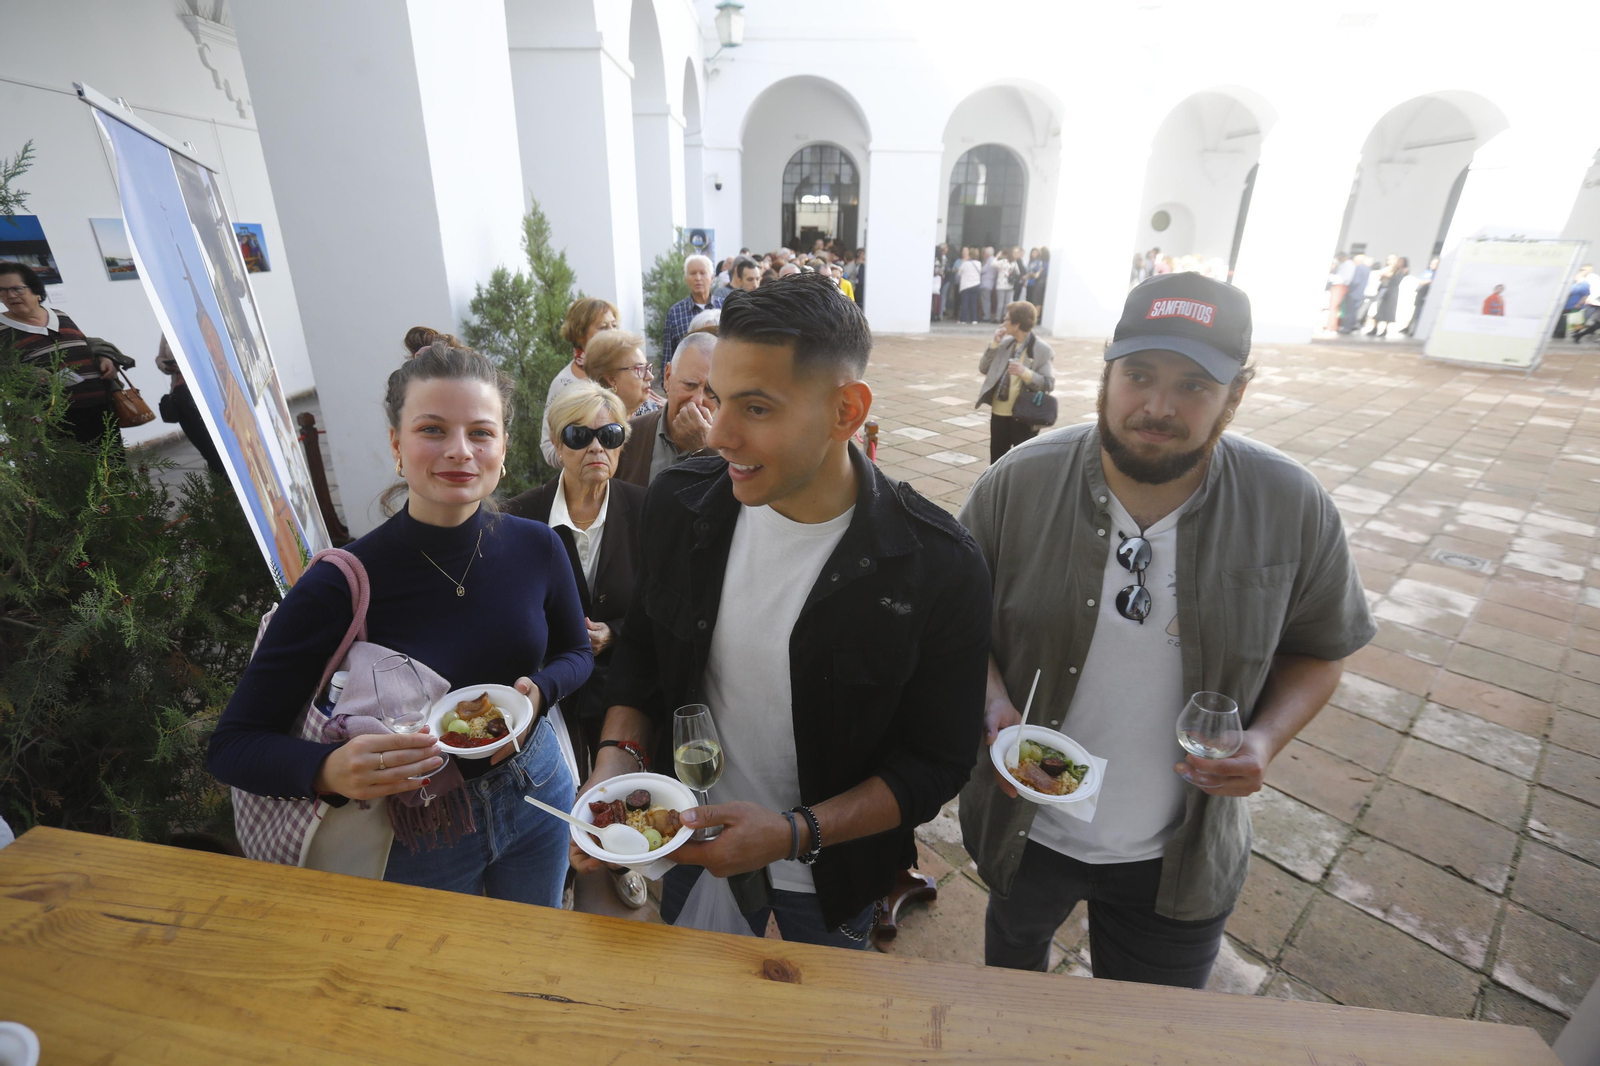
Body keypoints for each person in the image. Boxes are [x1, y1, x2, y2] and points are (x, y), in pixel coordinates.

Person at [958, 273, 1374, 989]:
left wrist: (1266, 739)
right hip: (1027, 830)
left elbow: (1319, 648)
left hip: (1179, 857)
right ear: (1107, 372)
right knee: (1012, 1001)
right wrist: (991, 703)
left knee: (1155, 1035)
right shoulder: (1016, 485)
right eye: (1140, 375)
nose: (1157, 406)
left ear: (1234, 395)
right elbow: (954, 629)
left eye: (1192, 386)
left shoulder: (1291, 506)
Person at [572, 272, 992, 947]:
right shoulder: (681, 505)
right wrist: (615, 764)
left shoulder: (937, 566)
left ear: (845, 412)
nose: (719, 435)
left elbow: (936, 763)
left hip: (832, 881)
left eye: (756, 408)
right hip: (688, 842)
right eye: (715, 398)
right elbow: (646, 654)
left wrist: (794, 833)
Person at [208, 342, 592, 905]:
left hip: (537, 791)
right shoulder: (341, 584)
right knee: (434, 983)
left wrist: (541, 691)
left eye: (481, 433)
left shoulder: (539, 547)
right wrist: (329, 769)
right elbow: (232, 746)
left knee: (531, 964)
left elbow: (576, 653)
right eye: (433, 429)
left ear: (503, 448)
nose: (460, 451)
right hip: (418, 830)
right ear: (397, 443)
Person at [0, 262, 125, 449]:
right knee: (79, 474)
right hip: (53, 418)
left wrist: (104, 357)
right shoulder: (2, 328)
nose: (10, 296)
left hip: (99, 406)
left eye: (17, 289)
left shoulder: (60, 315)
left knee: (114, 467)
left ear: (35, 290)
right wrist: (27, 375)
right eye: (2, 290)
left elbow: (85, 343)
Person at [614, 331, 717, 487]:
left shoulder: (733, 444)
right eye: (689, 385)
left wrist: (704, 449)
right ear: (668, 377)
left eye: (711, 391)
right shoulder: (631, 437)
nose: (698, 400)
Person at [542, 297, 620, 466]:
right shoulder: (564, 383)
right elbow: (548, 445)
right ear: (580, 334)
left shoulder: (630, 372)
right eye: (603, 327)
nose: (613, 332)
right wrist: (580, 461)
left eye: (614, 325)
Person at [976, 301, 1055, 463]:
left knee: (1021, 462)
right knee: (997, 460)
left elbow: (1048, 383)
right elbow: (984, 368)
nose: (1003, 322)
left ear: (1016, 324)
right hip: (999, 412)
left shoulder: (1042, 349)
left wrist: (1024, 373)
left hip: (1024, 415)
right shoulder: (1005, 343)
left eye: (1006, 318)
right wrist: (995, 343)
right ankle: (996, 488)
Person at [154, 335, 224, 473]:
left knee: (218, 446)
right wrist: (167, 366)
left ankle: (229, 483)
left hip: (205, 391)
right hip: (180, 394)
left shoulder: (195, 323)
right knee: (204, 446)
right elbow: (160, 358)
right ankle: (222, 485)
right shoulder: (166, 331)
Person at [662, 255, 723, 372]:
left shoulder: (726, 307)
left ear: (712, 278)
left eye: (702, 273)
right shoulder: (675, 313)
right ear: (686, 278)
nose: (698, 278)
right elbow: (668, 355)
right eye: (693, 273)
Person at [582, 329, 659, 419]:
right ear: (612, 379)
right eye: (639, 369)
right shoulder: (595, 424)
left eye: (647, 367)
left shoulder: (653, 409)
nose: (650, 376)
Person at [1369, 255, 1406, 338]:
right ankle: (1375, 328)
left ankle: (1385, 330)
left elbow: (1394, 278)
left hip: (1392, 292)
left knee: (1389, 310)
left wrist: (1387, 275)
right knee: (1379, 309)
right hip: (1385, 290)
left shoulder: (1401, 271)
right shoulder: (1392, 269)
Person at [1400, 256, 1438, 337]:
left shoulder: (1438, 274)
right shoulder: (1427, 272)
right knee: (1416, 313)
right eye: (1431, 263)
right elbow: (1420, 281)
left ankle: (1416, 330)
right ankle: (1410, 329)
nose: (1431, 265)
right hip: (1421, 295)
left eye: (1434, 264)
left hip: (1429, 298)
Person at [1340, 254, 1371, 333]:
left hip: (1353, 293)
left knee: (1350, 311)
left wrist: (1349, 289)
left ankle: (1347, 328)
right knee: (1354, 311)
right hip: (1360, 293)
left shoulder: (1359, 268)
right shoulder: (1367, 268)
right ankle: (1354, 325)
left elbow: (1355, 281)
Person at [1327, 253, 1353, 333]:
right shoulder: (1345, 264)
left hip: (1339, 286)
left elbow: (1345, 278)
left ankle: (1331, 326)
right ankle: (1331, 325)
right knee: (1333, 306)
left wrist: (1331, 277)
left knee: (1333, 306)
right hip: (1339, 285)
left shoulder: (1348, 265)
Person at [957, 248, 983, 324]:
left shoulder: (965, 263)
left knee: (965, 303)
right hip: (976, 284)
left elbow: (959, 273)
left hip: (966, 285)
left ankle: (963, 319)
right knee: (974, 303)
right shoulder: (979, 263)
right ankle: (974, 319)